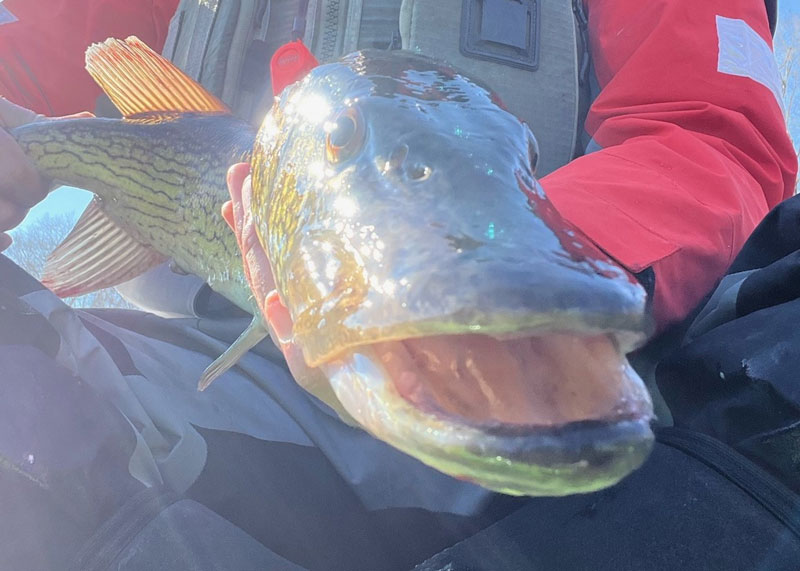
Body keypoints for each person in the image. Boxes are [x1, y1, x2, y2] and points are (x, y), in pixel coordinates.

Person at [1, 1, 799, 570]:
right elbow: (27, 55)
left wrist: (513, 279)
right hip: (190, 374)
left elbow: (706, 124)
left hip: (544, 365)